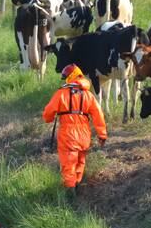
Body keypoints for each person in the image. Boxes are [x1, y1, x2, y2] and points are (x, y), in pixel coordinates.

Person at [42, 64, 107, 197]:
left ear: (71, 77)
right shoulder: (88, 95)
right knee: (80, 163)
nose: (65, 80)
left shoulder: (61, 93)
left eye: (66, 77)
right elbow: (98, 114)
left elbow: (48, 112)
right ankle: (77, 189)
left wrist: (48, 119)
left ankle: (69, 197)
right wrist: (102, 134)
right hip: (84, 136)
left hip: (68, 135)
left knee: (68, 167)